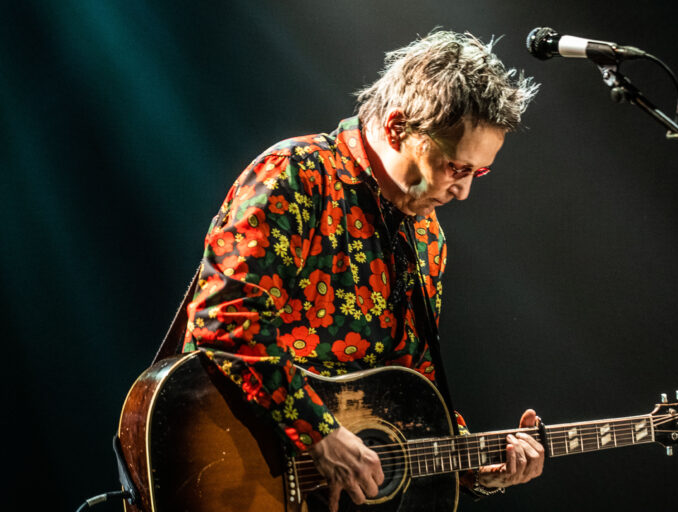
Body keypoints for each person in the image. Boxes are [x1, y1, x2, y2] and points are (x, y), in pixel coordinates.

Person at [182, 30, 543, 511]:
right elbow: (222, 322)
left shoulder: (427, 237)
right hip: (232, 467)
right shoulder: (297, 175)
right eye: (455, 167)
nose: (464, 192)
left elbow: (409, 384)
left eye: (477, 173)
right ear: (397, 129)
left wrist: (475, 464)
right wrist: (318, 433)